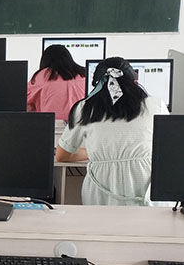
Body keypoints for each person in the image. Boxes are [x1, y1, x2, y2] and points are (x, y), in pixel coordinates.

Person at [55, 57, 169, 206]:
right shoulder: (156, 105)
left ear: (96, 85)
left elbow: (61, 155)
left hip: (101, 190)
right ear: (134, 81)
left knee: (102, 221)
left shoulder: (84, 109)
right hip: (144, 185)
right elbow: (168, 150)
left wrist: (96, 153)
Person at [27, 44, 85, 120]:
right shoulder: (83, 74)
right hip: (81, 123)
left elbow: (24, 103)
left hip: (50, 124)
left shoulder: (43, 75)